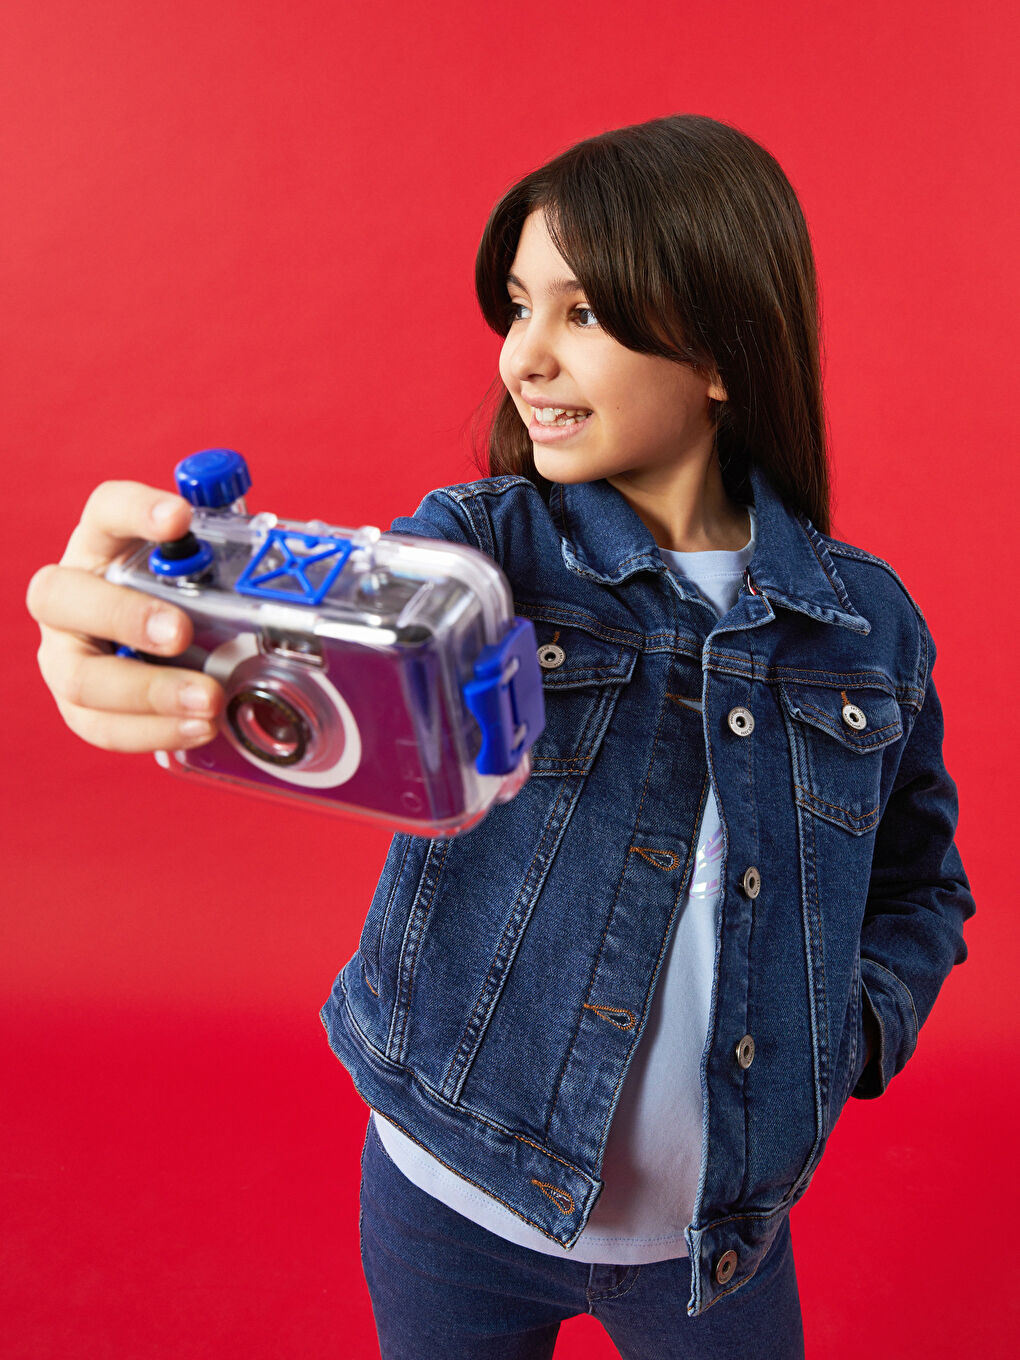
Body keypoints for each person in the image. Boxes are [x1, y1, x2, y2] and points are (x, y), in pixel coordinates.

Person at [27, 114, 975, 1359]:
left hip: (717, 1241)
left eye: (581, 313)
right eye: (518, 307)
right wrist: (152, 618)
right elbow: (347, 613)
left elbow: (922, 888)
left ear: (723, 354)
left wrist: (840, 1033)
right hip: (446, 1198)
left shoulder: (871, 629)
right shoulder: (481, 552)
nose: (523, 355)